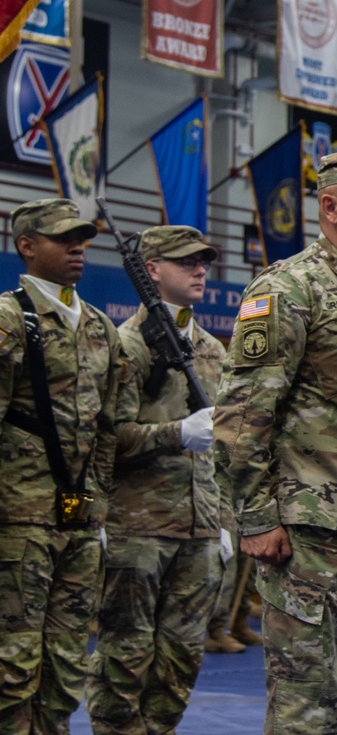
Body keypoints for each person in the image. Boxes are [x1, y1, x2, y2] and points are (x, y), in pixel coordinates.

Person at [213, 150, 337, 735]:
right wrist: (253, 518)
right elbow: (243, 415)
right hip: (309, 540)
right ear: (329, 206)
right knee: (306, 706)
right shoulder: (287, 290)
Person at [86, 226, 227, 734]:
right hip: (137, 530)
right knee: (125, 658)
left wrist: (225, 520)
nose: (199, 270)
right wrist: (175, 434)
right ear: (152, 270)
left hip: (200, 532)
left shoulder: (212, 349)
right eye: (186, 261)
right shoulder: (126, 345)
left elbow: (226, 447)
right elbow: (107, 438)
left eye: (204, 262)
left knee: (180, 662)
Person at [0, 198, 122, 734]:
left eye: (82, 238)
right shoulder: (7, 320)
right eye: (63, 238)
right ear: (27, 246)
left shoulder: (100, 327)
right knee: (13, 660)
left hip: (77, 518)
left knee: (68, 659)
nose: (78, 247)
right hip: (17, 520)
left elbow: (106, 430)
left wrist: (94, 512)